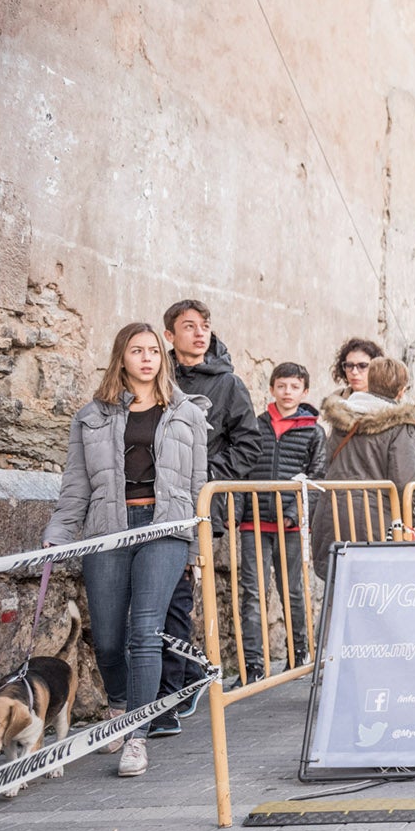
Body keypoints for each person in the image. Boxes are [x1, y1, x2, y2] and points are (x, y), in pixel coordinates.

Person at [43, 324, 210, 779]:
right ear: (121, 357)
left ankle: (137, 735)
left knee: (145, 631)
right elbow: (76, 483)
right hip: (108, 528)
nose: (147, 358)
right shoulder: (91, 416)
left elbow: (199, 487)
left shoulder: (187, 413)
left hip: (165, 526)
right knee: (111, 637)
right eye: (137, 351)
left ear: (163, 357)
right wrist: (59, 531)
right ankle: (119, 707)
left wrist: (197, 547)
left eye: (154, 350)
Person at [154, 300, 265, 734]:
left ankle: (176, 690)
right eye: (188, 326)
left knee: (178, 598)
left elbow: (248, 442)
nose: (200, 334)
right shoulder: (154, 374)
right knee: (158, 600)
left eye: (204, 326)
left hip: (198, 509)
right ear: (170, 335)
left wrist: (208, 479)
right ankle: (186, 677)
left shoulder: (228, 383)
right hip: (152, 502)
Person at [232, 362, 327, 686]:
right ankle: (254, 666)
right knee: (252, 593)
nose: (287, 392)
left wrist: (292, 512)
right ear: (271, 389)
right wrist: (240, 513)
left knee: (293, 593)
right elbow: (242, 468)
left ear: (305, 392)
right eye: (282, 386)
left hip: (289, 525)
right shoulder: (254, 426)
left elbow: (317, 477)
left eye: (294, 387)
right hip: (253, 523)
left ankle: (299, 655)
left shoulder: (313, 431)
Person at [314, 355, 415, 561]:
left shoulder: (341, 418)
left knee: (337, 579)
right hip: (374, 516)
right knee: (372, 582)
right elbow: (403, 480)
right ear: (402, 390)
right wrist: (409, 518)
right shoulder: (400, 425)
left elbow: (327, 460)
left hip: (333, 510)